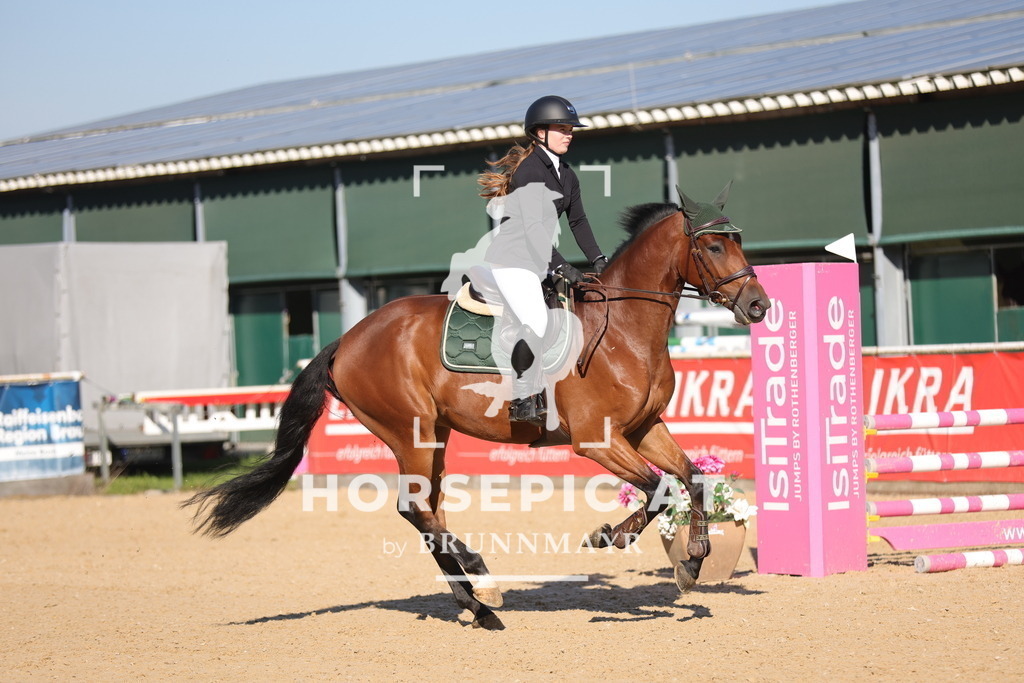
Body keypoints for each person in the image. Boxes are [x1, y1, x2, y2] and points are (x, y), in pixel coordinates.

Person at [477, 95, 610, 424]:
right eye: (562, 128)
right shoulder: (529, 171)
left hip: (540, 260)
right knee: (536, 321)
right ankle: (522, 398)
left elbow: (578, 221)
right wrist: (562, 267)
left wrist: (599, 261)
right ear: (539, 133)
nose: (570, 134)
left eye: (571, 129)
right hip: (513, 261)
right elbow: (533, 229)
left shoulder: (567, 174)